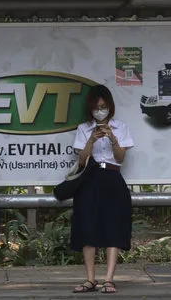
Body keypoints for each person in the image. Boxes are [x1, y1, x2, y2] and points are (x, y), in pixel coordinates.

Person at [70, 85, 134, 294]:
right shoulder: (83, 128)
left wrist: (112, 137)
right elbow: (81, 159)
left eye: (104, 107)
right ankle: (90, 279)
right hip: (90, 179)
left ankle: (109, 279)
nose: (100, 111)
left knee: (113, 227)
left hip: (113, 178)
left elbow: (120, 157)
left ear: (110, 107)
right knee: (88, 227)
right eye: (96, 107)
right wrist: (92, 138)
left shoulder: (120, 126)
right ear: (90, 108)